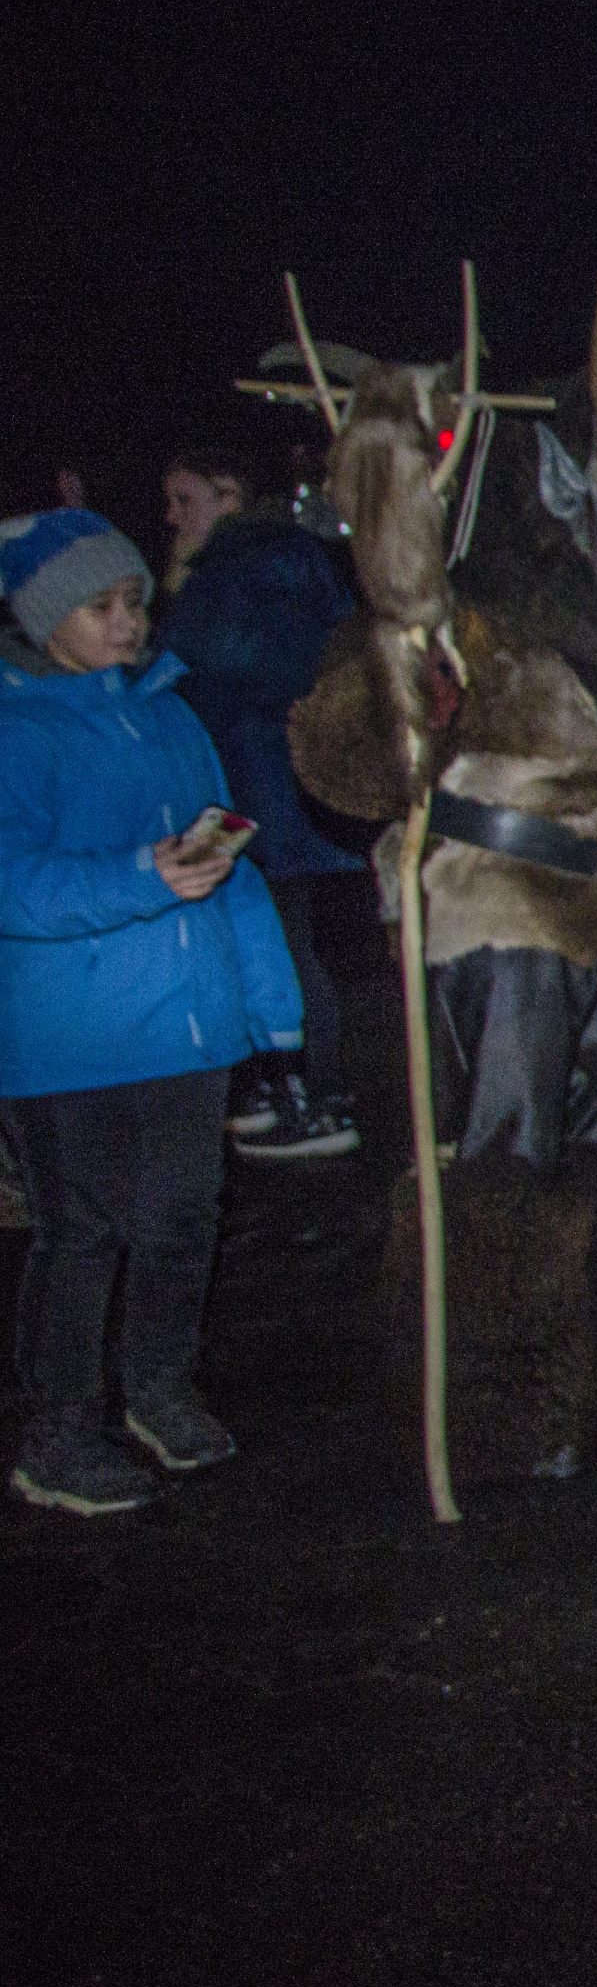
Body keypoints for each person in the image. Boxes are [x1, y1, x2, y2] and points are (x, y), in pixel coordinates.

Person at [3, 510, 304, 1512]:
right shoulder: (15, 730)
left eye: (134, 601)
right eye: (100, 607)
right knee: (81, 1234)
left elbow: (229, 868)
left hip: (187, 1028)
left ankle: (160, 1388)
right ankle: (57, 1433)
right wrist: (141, 874)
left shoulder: (173, 716)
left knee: (181, 1217)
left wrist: (271, 1007)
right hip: (70, 1042)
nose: (128, 623)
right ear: (42, 618)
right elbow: (12, 881)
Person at [154, 450, 367, 1160]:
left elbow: (191, 660)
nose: (171, 517)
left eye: (185, 499)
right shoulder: (291, 556)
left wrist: (179, 594)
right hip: (278, 790)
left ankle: (316, 1100)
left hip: (258, 793)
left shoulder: (239, 563)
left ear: (229, 493)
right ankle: (282, 1090)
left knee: (280, 947)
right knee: (274, 941)